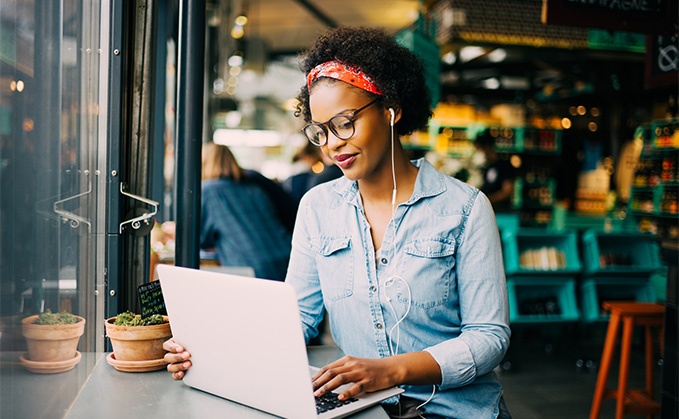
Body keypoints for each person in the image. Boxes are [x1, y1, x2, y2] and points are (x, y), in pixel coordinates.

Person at [165, 27, 511, 419]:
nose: (332, 144)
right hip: (366, 410)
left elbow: (489, 337)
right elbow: (297, 318)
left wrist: (390, 371)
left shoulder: (464, 208)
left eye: (344, 123)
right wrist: (211, 352)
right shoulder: (318, 208)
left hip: (456, 412)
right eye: (320, 131)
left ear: (390, 109)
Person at [199, 142, 293, 281]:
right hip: (285, 258)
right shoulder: (254, 188)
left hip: (251, 268)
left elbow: (202, 240)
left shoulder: (209, 191)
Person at [474, 129, 517, 212]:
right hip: (485, 209)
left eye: (479, 150)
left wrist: (488, 200)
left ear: (487, 147)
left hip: (501, 211)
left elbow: (507, 191)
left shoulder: (504, 165)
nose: (477, 153)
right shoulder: (484, 167)